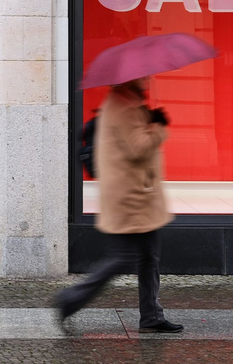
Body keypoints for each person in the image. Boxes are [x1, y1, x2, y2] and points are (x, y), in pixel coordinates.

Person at [55, 77, 183, 334]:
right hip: (131, 198)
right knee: (124, 258)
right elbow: (138, 148)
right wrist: (158, 126)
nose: (148, 79)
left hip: (137, 195)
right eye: (144, 76)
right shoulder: (124, 106)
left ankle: (151, 316)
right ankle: (72, 298)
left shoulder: (126, 102)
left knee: (148, 257)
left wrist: (148, 119)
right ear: (131, 78)